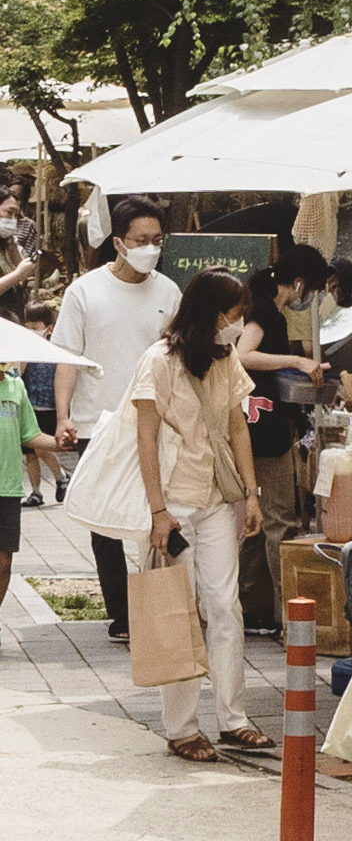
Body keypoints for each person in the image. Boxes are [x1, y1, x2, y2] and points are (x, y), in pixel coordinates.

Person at [131, 265, 273, 762]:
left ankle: (233, 719)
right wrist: (158, 512)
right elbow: (144, 436)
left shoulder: (225, 356)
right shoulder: (159, 361)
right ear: (212, 312)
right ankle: (182, 727)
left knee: (225, 607)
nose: (237, 324)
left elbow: (238, 428)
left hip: (215, 500)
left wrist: (250, 495)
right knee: (179, 612)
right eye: (234, 315)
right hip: (173, 504)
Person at [52, 195, 181, 642]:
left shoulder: (169, 292)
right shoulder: (84, 291)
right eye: (141, 240)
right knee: (105, 522)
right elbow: (66, 357)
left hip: (156, 422)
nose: (150, 247)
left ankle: (158, 601)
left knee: (156, 515)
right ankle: (122, 615)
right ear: (118, 243)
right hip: (99, 421)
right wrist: (64, 416)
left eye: (157, 240)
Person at [236, 244, 328, 631]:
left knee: (259, 524)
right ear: (300, 283)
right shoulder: (263, 310)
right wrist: (296, 360)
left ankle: (248, 605)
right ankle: (289, 615)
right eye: (313, 292)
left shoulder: (264, 306)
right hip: (260, 427)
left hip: (260, 423)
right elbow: (243, 355)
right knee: (279, 520)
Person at [0, 359, 71, 640]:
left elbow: (29, 434)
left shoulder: (15, 386)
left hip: (8, 488)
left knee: (4, 562)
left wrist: (60, 442)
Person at [20, 302, 70, 506]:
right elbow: (20, 372)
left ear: (49, 327)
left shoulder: (57, 349)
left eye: (36, 326)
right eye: (28, 325)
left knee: (42, 448)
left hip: (50, 407)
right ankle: (36, 491)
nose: (32, 330)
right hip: (30, 405)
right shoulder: (25, 348)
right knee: (30, 453)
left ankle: (61, 477)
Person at [0, 185, 38, 322]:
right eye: (9, 213)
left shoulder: (6, 245)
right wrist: (16, 275)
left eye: (16, 215)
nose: (13, 219)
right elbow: (18, 276)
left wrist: (12, 245)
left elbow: (22, 278)